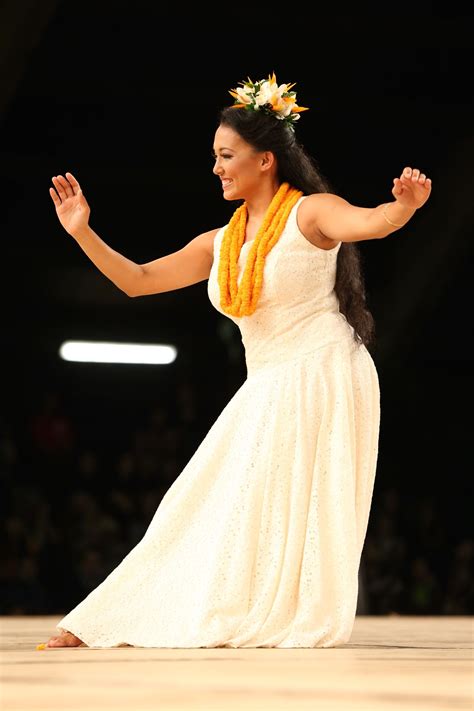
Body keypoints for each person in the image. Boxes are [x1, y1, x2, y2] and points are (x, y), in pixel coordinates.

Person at [39, 74, 431, 650]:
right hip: (267, 379)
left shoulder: (312, 214)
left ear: (266, 160)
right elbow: (139, 281)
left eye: (227, 155)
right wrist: (83, 232)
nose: (217, 167)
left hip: (323, 370)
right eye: (215, 157)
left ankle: (281, 611)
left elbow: (369, 222)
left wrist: (402, 208)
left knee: (290, 503)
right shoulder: (217, 243)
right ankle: (138, 613)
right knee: (204, 494)